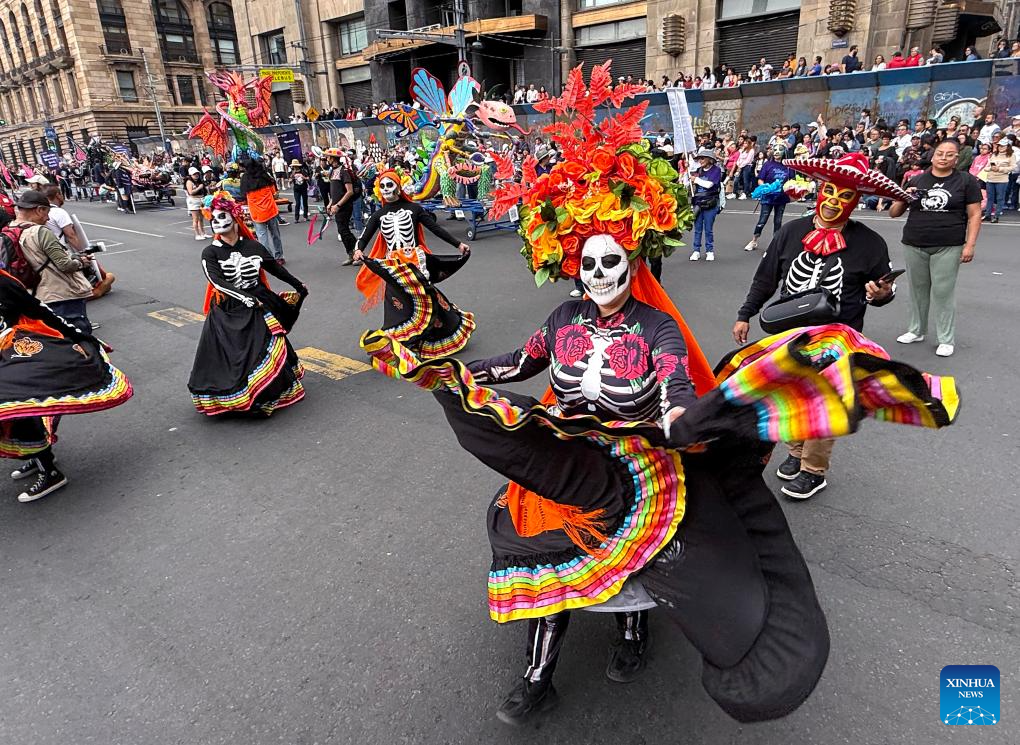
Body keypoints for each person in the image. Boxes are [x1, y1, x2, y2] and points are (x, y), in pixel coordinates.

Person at [361, 71, 961, 727]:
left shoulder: (656, 326)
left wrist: (679, 414)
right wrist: (442, 366)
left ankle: (633, 632)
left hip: (634, 458)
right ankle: (537, 674)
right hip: (565, 451)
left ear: (633, 259)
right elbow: (515, 362)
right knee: (539, 537)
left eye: (612, 263)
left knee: (651, 558)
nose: (599, 278)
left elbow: (675, 376)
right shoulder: (562, 317)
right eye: (587, 266)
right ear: (573, 264)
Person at [732, 152, 910, 500]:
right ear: (819, 189)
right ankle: (797, 453)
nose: (833, 201)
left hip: (840, 336)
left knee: (825, 401)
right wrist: (745, 313)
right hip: (791, 333)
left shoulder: (869, 242)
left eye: (845, 195)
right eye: (829, 191)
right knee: (794, 395)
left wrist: (882, 292)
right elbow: (765, 279)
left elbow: (881, 291)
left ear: (856, 199)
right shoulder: (791, 232)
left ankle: (814, 471)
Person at [0, 267, 132, 502]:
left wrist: (79, 336)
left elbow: (39, 310)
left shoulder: (3, 282)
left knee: (20, 407)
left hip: (19, 353)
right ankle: (39, 456)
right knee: (17, 415)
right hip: (7, 358)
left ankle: (49, 470)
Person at [188, 193, 308, 416]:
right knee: (237, 354)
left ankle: (265, 394)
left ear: (234, 217)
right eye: (213, 219)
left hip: (259, 302)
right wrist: (244, 298)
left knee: (266, 346)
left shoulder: (253, 246)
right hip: (229, 309)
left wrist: (298, 284)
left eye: (222, 216)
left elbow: (275, 268)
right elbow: (216, 281)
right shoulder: (210, 252)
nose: (219, 222)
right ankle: (242, 396)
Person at [352, 169, 474, 358]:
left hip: (415, 263)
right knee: (397, 305)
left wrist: (458, 244)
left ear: (398, 188)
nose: (386, 189)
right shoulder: (379, 214)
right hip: (393, 267)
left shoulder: (414, 209)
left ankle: (444, 331)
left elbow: (435, 228)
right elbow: (365, 235)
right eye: (382, 186)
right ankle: (403, 342)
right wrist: (359, 249)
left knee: (427, 298)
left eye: (389, 185)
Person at [890, 139, 982, 358]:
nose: (943, 157)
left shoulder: (965, 181)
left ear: (956, 159)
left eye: (950, 154)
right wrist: (905, 197)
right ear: (932, 156)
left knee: (943, 292)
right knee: (917, 290)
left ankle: (945, 339)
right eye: (940, 153)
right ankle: (916, 330)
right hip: (915, 241)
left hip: (948, 243)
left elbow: (975, 214)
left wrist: (970, 245)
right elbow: (894, 212)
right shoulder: (917, 179)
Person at [8, 190, 95, 333]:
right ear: (39, 210)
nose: (47, 218)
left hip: (32, 294)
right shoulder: (40, 232)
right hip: (59, 293)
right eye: (47, 212)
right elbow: (64, 264)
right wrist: (81, 262)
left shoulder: (8, 230)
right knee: (77, 337)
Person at [745, 144, 793, 251]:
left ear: (784, 152)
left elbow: (792, 181)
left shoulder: (788, 166)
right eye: (775, 150)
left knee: (778, 221)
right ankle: (754, 240)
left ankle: (776, 245)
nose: (776, 152)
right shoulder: (768, 164)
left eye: (779, 150)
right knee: (763, 219)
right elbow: (760, 179)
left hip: (781, 198)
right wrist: (765, 188)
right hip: (768, 197)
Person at [239, 155, 284, 263]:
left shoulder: (244, 179)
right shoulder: (265, 176)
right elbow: (274, 194)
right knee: (275, 235)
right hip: (271, 211)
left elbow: (243, 196)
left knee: (262, 239)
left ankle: (269, 259)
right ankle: (279, 257)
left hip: (257, 214)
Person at [325, 149, 360, 266]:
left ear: (333, 158)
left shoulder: (344, 172)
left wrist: (338, 205)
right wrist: (330, 204)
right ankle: (351, 254)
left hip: (344, 206)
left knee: (344, 230)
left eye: (329, 157)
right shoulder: (332, 171)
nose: (327, 159)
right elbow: (334, 192)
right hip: (337, 206)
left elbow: (349, 192)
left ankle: (358, 253)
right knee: (342, 230)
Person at [689, 148, 722, 261]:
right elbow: (691, 184)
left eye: (702, 158)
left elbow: (710, 185)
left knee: (708, 228)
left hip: (710, 202)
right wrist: (688, 179)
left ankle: (709, 250)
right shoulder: (698, 170)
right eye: (699, 159)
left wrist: (696, 180)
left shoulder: (716, 171)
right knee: (697, 228)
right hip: (698, 202)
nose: (700, 161)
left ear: (709, 159)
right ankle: (696, 250)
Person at [982, 142, 1015, 222]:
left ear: (1007, 146)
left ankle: (996, 216)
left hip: (1002, 179)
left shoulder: (1011, 155)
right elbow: (987, 167)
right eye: (999, 146)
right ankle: (988, 215)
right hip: (990, 178)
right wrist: (991, 168)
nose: (1001, 147)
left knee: (1000, 198)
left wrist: (1000, 169)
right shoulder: (994, 154)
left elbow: (1012, 167)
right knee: (990, 198)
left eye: (1003, 146)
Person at [185, 167, 210, 241]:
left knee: (201, 218)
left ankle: (203, 233)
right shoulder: (189, 182)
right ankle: (197, 234)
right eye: (194, 174)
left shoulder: (199, 181)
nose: (196, 175)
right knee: (195, 219)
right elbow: (191, 192)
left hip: (201, 199)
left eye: (197, 174)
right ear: (191, 175)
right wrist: (199, 188)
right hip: (193, 200)